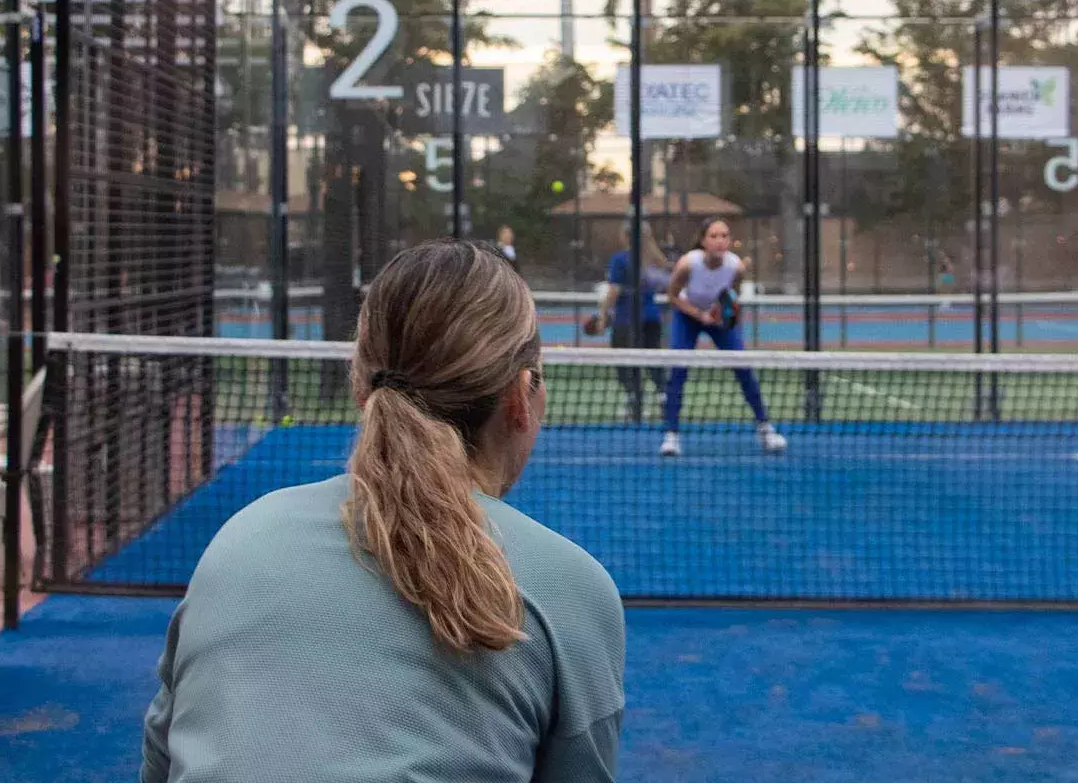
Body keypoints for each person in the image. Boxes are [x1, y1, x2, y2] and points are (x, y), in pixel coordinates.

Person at [141, 240, 624, 783]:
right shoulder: (570, 589)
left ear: (359, 383)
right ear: (521, 397)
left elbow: (161, 761)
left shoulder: (239, 540)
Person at [659, 218, 785, 458]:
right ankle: (671, 436)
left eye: (724, 236)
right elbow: (672, 296)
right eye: (714, 236)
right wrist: (700, 315)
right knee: (677, 371)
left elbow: (732, 293)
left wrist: (721, 312)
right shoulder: (688, 264)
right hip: (688, 315)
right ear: (704, 240)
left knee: (744, 370)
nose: (720, 241)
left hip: (717, 319)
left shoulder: (736, 267)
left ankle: (766, 430)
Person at [586, 223, 672, 416]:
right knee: (653, 359)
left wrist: (602, 315)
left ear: (625, 237)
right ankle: (663, 397)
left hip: (626, 321)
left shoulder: (620, 259)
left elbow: (614, 290)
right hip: (652, 318)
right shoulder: (655, 260)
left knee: (624, 361)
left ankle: (634, 399)